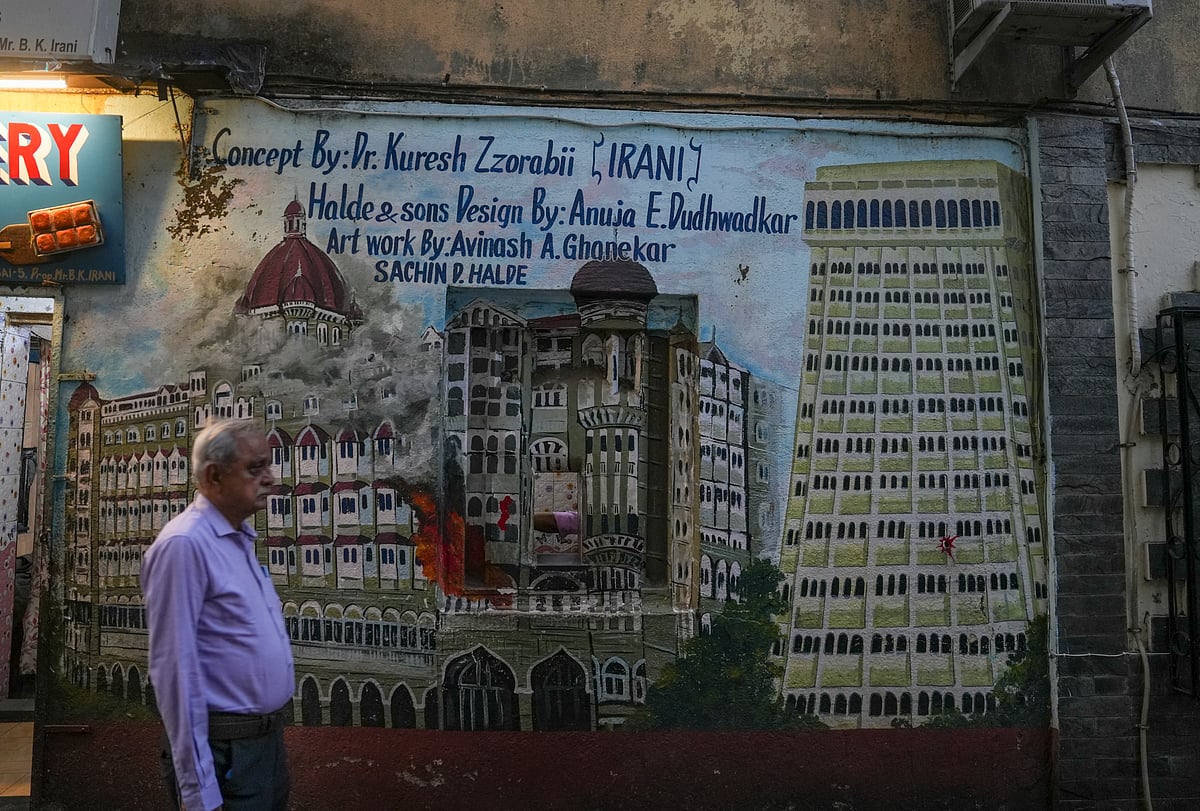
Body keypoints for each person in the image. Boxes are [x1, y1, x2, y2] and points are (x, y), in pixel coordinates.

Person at [143, 419, 295, 811]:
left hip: (262, 747)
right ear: (214, 476)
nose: (271, 479)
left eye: (269, 465)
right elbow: (175, 670)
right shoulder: (185, 545)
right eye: (255, 467)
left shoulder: (237, 538)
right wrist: (198, 791)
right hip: (224, 751)